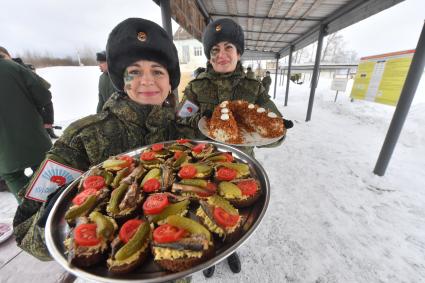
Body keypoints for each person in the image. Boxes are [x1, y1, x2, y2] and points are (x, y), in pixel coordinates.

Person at [13, 18, 187, 261]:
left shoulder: (183, 133)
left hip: (176, 261)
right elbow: (25, 234)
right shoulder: (82, 137)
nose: (147, 80)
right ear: (120, 80)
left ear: (170, 82)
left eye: (157, 71)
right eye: (134, 72)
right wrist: (58, 210)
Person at [177, 18, 292, 278]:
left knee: (233, 215)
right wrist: (200, 120)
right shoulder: (197, 87)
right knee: (206, 212)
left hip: (240, 166)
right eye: (215, 50)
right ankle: (210, 255)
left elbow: (276, 130)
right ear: (209, 56)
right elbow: (182, 118)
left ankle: (231, 250)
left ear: (238, 53)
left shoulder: (253, 88)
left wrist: (269, 133)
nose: (222, 55)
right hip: (203, 166)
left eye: (228, 47)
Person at [0, 47, 53, 204]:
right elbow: (44, 95)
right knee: (44, 172)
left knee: (13, 177)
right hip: (33, 137)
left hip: (4, 150)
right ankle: (55, 208)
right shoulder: (12, 67)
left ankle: (30, 214)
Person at [0, 46, 58, 139]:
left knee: (46, 107)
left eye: (2, 57)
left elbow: (43, 91)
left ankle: (49, 128)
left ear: (8, 55)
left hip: (32, 104)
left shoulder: (19, 67)